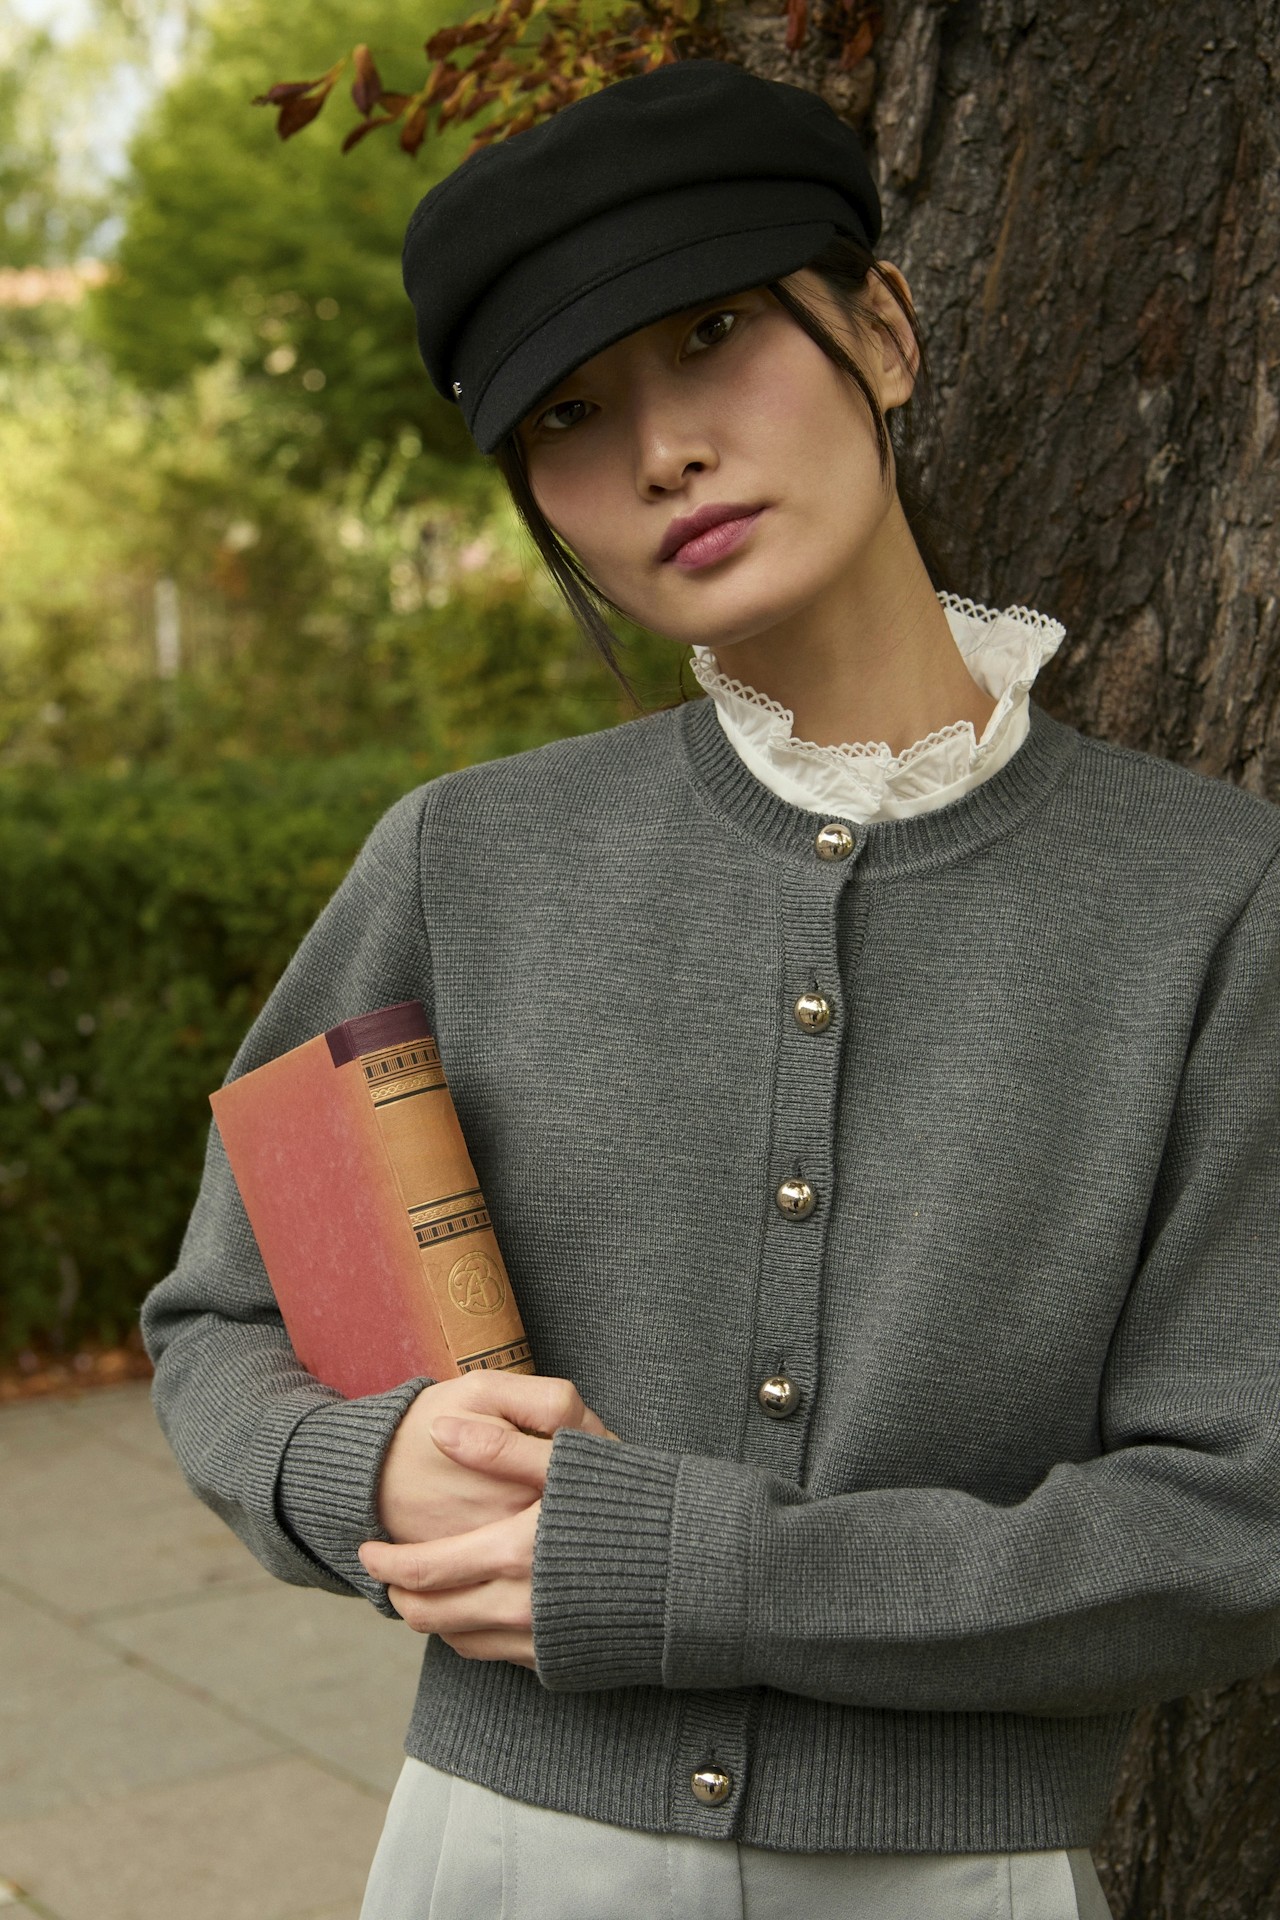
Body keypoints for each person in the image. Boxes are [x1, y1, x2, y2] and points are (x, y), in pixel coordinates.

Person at [140, 58, 1280, 1920]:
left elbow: (1239, 1518)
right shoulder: (463, 859)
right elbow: (216, 1326)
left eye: (720, 332)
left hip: (958, 1875)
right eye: (575, 413)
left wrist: (708, 1575)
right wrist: (356, 1467)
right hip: (500, 1853)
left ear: (884, 332)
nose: (663, 447)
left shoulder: (1212, 897)